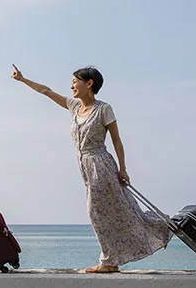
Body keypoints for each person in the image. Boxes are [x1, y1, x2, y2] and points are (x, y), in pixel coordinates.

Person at [11, 64, 171, 273]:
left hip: (100, 164)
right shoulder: (74, 107)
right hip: (84, 166)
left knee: (97, 212)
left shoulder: (104, 109)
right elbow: (46, 91)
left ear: (89, 84)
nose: (72, 86)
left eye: (75, 82)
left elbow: (116, 140)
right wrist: (23, 79)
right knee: (120, 209)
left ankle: (109, 261)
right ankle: (159, 229)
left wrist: (123, 169)